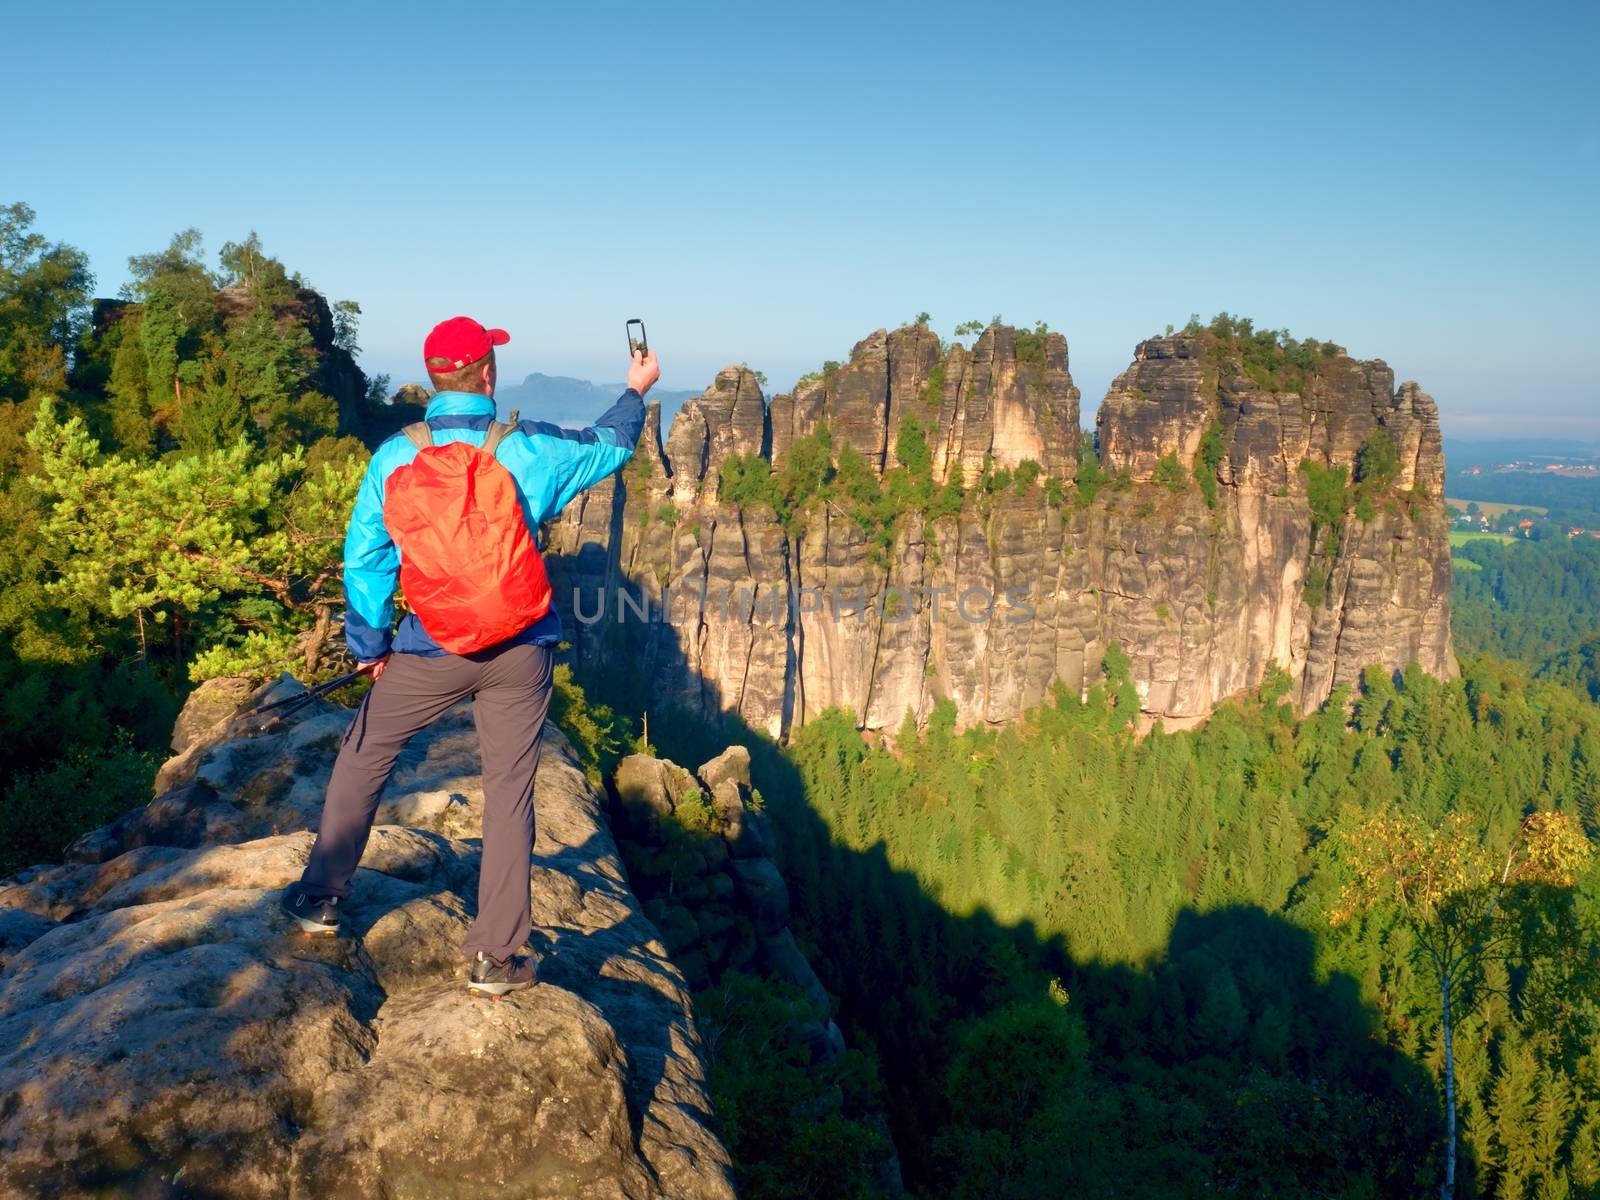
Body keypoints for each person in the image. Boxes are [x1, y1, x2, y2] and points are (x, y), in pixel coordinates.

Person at [280, 315, 657, 996]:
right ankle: (496, 958)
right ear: (488, 373)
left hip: (432, 647)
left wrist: (370, 647)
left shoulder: (394, 457)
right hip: (520, 648)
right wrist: (635, 389)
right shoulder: (528, 447)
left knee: (366, 752)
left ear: (435, 379)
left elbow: (365, 558)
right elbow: (611, 444)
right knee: (509, 790)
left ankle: (322, 898)